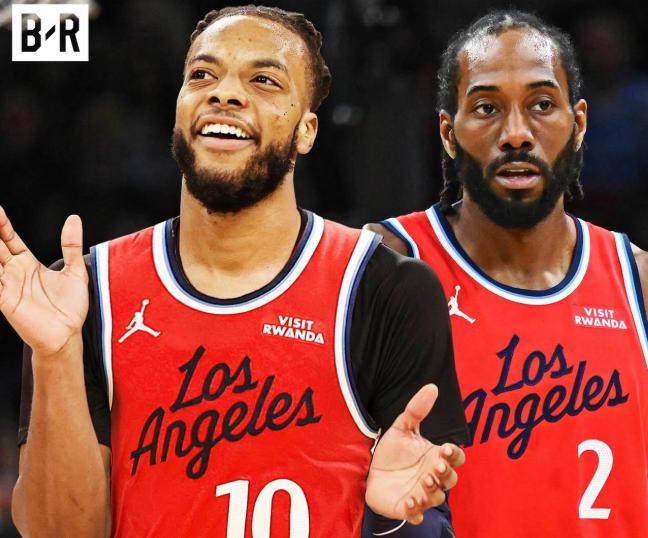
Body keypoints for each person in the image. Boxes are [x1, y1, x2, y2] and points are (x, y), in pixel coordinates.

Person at [5, 6, 468, 537]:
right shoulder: (85, 293)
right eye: (202, 75)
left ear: (306, 131)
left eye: (264, 80)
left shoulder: (385, 289)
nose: (224, 93)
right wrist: (54, 355)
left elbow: (422, 515)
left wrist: (386, 519)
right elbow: (59, 531)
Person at [369, 9, 648, 537]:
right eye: (487, 108)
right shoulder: (375, 271)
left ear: (578, 124)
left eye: (542, 104)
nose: (516, 134)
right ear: (448, 133)